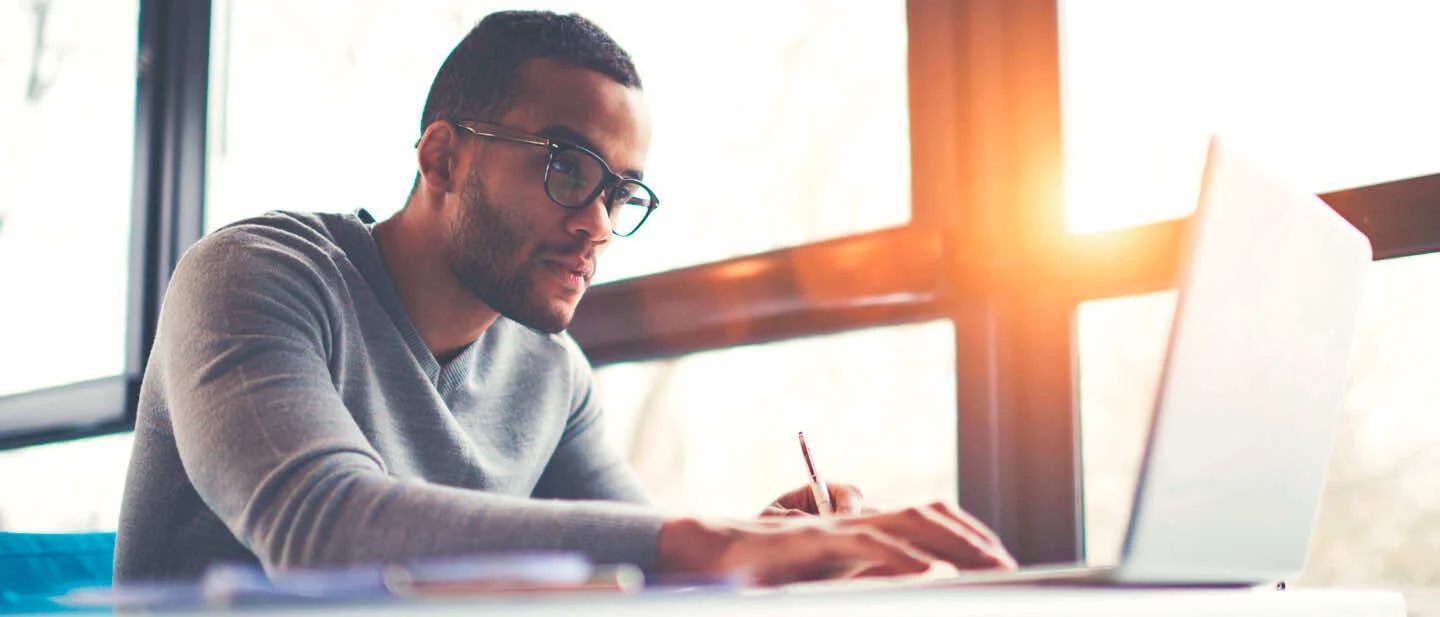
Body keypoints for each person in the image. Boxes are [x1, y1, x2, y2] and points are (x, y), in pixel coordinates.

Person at [114, 10, 1015, 586]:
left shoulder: (552, 374)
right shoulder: (255, 275)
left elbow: (636, 552)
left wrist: (765, 550)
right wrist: (704, 542)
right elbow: (320, 526)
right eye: (565, 168)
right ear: (441, 157)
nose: (597, 224)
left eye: (621, 193)